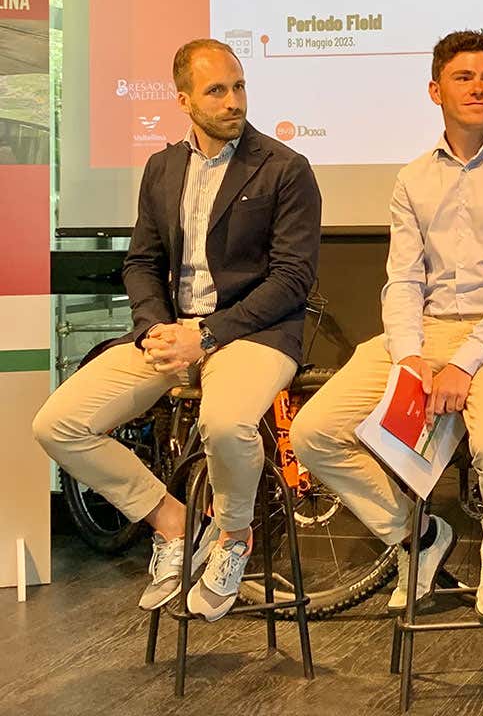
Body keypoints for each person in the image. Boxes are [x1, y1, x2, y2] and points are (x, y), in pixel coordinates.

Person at [33, 38, 322, 622]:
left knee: (226, 420)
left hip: (254, 334)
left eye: (239, 86)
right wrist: (154, 327)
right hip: (174, 334)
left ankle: (234, 538)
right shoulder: (163, 168)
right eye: (217, 90)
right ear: (184, 99)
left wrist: (207, 335)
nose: (233, 100)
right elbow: (141, 261)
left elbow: (292, 280)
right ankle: (173, 522)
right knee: (58, 424)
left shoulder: (285, 169)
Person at [289, 30, 483, 623]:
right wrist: (411, 355)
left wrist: (464, 361)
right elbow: (403, 279)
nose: (479, 88)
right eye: (464, 78)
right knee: (312, 431)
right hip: (424, 331)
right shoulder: (412, 177)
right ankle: (419, 536)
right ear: (435, 90)